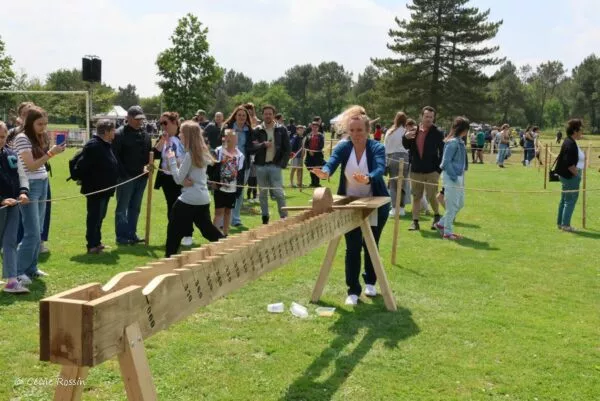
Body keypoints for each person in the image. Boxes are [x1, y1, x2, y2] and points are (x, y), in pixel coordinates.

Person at [312, 105, 390, 306]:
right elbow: (332, 162)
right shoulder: (343, 147)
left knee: (371, 244)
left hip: (375, 203)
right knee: (352, 246)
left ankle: (370, 282)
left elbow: (380, 168)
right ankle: (353, 291)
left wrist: (368, 178)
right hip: (350, 204)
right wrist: (326, 172)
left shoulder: (377, 147)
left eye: (360, 131)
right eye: (352, 130)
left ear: (367, 131)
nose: (356, 134)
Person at [14, 106, 66, 283]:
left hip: (42, 182)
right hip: (29, 185)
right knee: (32, 232)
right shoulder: (21, 138)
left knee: (39, 230)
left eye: (45, 123)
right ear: (30, 123)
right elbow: (31, 165)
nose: (43, 127)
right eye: (39, 124)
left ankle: (32, 268)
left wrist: (50, 150)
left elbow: (40, 164)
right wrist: (51, 153)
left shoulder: (38, 137)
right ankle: (17, 271)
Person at [165, 121, 224, 257]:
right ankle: (228, 246)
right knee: (208, 231)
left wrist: (172, 160)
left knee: (173, 233)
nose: (179, 134)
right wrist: (185, 178)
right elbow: (193, 174)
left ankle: (168, 260)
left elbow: (178, 179)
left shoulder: (190, 155)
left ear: (187, 135)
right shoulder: (202, 152)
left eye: (181, 133)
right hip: (203, 199)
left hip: (188, 200)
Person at [75, 119, 119, 254]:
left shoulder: (105, 144)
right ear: (106, 131)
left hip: (105, 189)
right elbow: (83, 166)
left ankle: (97, 241)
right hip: (96, 189)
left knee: (100, 216)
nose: (115, 133)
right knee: (94, 216)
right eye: (113, 130)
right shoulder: (93, 145)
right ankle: (91, 245)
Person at [152, 112, 194, 246]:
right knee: (171, 207)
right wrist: (162, 141)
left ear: (175, 123)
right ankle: (173, 234)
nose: (163, 126)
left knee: (184, 206)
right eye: (161, 123)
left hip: (182, 177)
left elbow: (188, 157)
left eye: (165, 123)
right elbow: (154, 154)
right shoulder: (163, 138)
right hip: (167, 179)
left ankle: (187, 234)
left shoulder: (183, 137)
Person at [112, 105, 152, 245]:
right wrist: (124, 175)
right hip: (125, 178)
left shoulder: (145, 134)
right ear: (128, 118)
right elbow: (115, 157)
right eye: (136, 119)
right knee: (122, 208)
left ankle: (131, 233)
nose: (139, 122)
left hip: (142, 177)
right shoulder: (119, 134)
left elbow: (149, 154)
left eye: (141, 119)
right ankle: (121, 236)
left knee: (135, 207)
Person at [402, 106, 444, 231]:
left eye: (431, 117)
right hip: (415, 170)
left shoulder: (437, 133)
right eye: (426, 117)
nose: (429, 119)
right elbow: (406, 146)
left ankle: (437, 217)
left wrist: (438, 170)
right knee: (416, 197)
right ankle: (415, 222)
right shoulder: (413, 131)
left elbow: (443, 152)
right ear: (421, 117)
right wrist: (405, 137)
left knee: (432, 196)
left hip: (432, 171)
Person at [247, 105, 290, 225]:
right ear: (262, 115)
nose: (268, 116)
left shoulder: (281, 129)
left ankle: (284, 217)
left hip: (275, 166)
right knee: (263, 194)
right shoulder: (257, 130)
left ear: (273, 115)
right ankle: (265, 218)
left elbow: (287, 149)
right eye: (265, 113)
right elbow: (251, 148)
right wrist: (262, 145)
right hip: (261, 166)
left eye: (270, 113)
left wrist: (282, 164)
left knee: (278, 193)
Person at [0, 121, 30, 293]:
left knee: (11, 241)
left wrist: (23, 192)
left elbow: (22, 175)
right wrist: (2, 200)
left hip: (13, 206)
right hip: (2, 206)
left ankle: (11, 281)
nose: (1, 140)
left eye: (3, 137)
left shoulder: (12, 154)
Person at [435, 117, 469, 240]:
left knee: (460, 204)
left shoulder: (459, 142)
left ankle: (441, 224)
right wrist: (454, 176)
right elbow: (445, 162)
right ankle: (447, 233)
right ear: (463, 129)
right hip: (451, 178)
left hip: (459, 177)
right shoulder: (452, 142)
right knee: (452, 206)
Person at [222, 105, 253, 227]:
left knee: (239, 192)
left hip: (244, 165)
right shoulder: (228, 127)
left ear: (247, 118)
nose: (241, 117)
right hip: (229, 163)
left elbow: (250, 147)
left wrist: (262, 145)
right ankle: (223, 219)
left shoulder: (249, 130)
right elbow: (223, 145)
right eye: (239, 115)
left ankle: (235, 219)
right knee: (227, 190)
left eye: (244, 115)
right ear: (235, 116)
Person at [212, 130, 245, 236]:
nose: (229, 139)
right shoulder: (218, 151)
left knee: (228, 211)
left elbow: (240, 173)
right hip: (220, 187)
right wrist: (213, 182)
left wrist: (239, 189)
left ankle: (225, 234)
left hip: (232, 188)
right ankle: (214, 236)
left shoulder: (240, 155)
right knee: (218, 212)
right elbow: (212, 168)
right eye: (227, 137)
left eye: (232, 137)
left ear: (236, 140)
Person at [555, 119, 585, 232]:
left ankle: (561, 223)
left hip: (566, 176)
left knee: (564, 200)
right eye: (580, 130)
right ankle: (566, 225)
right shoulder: (570, 144)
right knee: (570, 200)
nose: (582, 132)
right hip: (570, 176)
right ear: (575, 131)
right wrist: (577, 175)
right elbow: (569, 164)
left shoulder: (569, 141)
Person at [384, 112, 410, 217]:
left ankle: (394, 208)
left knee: (393, 184)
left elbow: (385, 147)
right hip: (405, 157)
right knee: (403, 183)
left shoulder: (390, 132)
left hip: (392, 157)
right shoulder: (406, 132)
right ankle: (402, 208)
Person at [304, 121, 325, 188]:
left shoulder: (320, 136)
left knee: (317, 169)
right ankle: (312, 182)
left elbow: (321, 145)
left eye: (316, 127)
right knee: (311, 169)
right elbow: (305, 145)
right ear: (311, 127)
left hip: (317, 155)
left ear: (318, 128)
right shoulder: (308, 135)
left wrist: (315, 151)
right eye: (313, 127)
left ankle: (317, 183)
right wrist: (309, 151)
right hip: (310, 155)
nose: (314, 128)